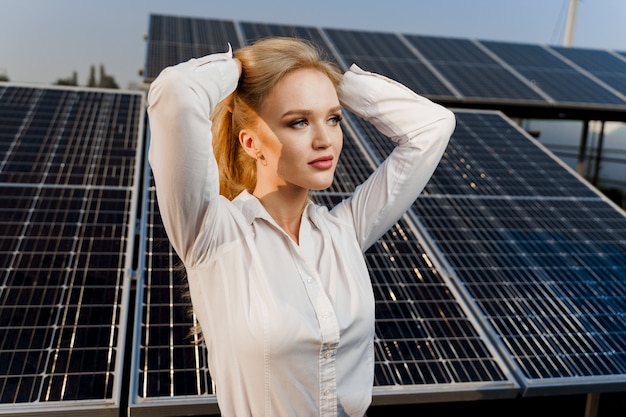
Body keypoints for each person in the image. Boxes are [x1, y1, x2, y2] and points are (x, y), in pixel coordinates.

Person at [147, 37, 455, 417]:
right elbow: (176, 92)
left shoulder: (344, 231)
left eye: (334, 118)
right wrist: (241, 69)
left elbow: (434, 126)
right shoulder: (211, 234)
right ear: (252, 143)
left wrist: (332, 80)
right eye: (299, 122)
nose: (325, 139)